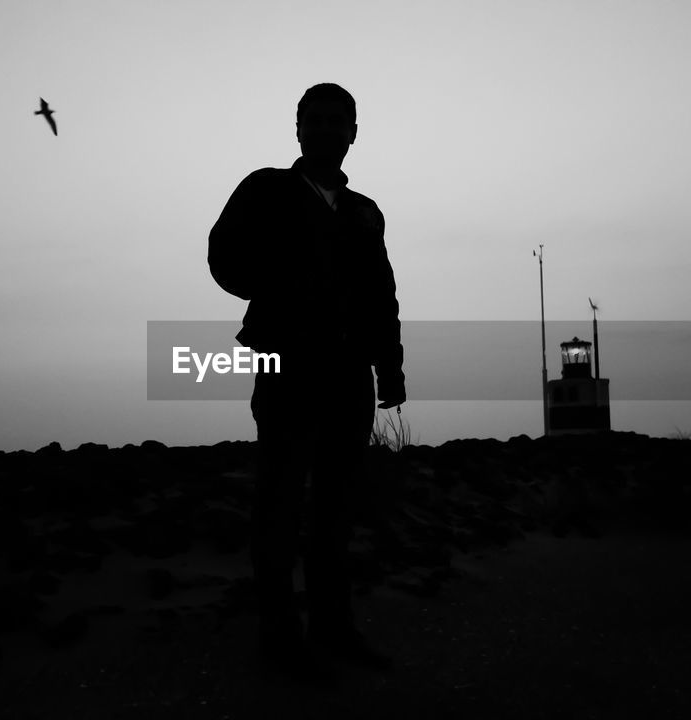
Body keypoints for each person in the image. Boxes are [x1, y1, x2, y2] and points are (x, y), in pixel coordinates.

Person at [208, 83, 406, 683]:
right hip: (287, 369)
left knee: (335, 511)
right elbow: (222, 255)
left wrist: (390, 368)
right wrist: (278, 293)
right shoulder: (266, 189)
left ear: (352, 132)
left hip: (350, 377)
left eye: (335, 121)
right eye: (312, 119)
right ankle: (280, 637)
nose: (323, 129)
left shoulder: (365, 212)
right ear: (298, 128)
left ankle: (332, 625)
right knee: (279, 505)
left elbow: (382, 295)